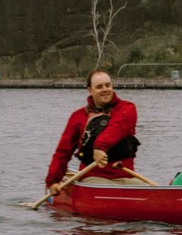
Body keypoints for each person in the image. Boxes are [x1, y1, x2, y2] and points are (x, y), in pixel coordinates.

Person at [45, 68, 142, 196]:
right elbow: (63, 151)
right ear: (90, 90)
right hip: (93, 179)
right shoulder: (78, 117)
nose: (105, 89)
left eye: (108, 85)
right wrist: (53, 180)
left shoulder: (127, 108)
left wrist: (100, 147)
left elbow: (117, 126)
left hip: (126, 178)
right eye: (99, 87)